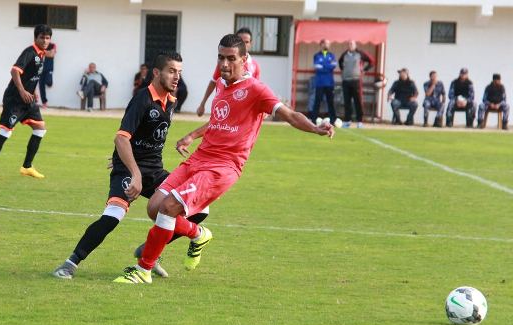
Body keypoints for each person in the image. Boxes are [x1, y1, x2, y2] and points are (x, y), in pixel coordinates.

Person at [112, 34, 334, 284]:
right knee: (154, 207)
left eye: (231, 59)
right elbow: (218, 121)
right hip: (199, 158)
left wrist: (315, 128)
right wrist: (192, 136)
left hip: (222, 167)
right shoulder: (220, 83)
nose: (225, 64)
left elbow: (290, 115)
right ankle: (198, 234)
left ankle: (144, 270)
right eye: (221, 58)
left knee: (169, 209)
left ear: (244, 59)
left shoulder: (256, 90)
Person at [52, 51, 209, 279]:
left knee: (199, 208)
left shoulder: (171, 101)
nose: (177, 77)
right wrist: (131, 170)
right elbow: (121, 137)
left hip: (154, 170)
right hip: (129, 169)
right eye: (172, 71)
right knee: (113, 216)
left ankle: (149, 251)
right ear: (157, 72)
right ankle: (69, 264)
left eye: (180, 72)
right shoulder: (142, 99)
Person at [0, 24, 52, 179]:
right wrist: (22, 91)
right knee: (5, 131)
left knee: (40, 129)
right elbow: (15, 71)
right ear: (36, 38)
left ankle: (27, 166)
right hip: (15, 100)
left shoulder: (42, 54)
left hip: (28, 100)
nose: (45, 40)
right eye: (42, 37)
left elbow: (33, 76)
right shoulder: (30, 52)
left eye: (47, 38)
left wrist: (34, 92)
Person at [196, 27, 260, 117]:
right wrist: (202, 104)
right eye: (241, 41)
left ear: (251, 44)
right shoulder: (224, 63)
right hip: (226, 107)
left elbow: (256, 90)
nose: (244, 44)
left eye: (246, 42)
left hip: (244, 111)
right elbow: (214, 81)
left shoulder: (255, 66)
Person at [338, 40, 374, 128]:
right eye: (349, 44)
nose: (350, 45)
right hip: (346, 81)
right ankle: (347, 120)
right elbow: (340, 62)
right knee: (347, 101)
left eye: (352, 44)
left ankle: (360, 121)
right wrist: (344, 71)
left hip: (356, 80)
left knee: (358, 101)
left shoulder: (360, 54)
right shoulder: (344, 54)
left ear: (355, 45)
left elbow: (372, 61)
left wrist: (364, 70)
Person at [310, 39, 337, 124]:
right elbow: (317, 67)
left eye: (328, 44)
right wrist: (327, 66)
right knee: (317, 101)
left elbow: (333, 66)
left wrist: (323, 66)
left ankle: (333, 120)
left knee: (330, 102)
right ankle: (314, 120)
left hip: (329, 83)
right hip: (320, 83)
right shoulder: (316, 56)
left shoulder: (332, 55)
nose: (327, 45)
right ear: (321, 44)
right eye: (325, 43)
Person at [38, 42, 56, 108]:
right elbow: (37, 54)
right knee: (41, 85)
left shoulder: (52, 45)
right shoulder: (39, 44)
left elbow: (52, 55)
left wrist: (43, 52)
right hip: (40, 69)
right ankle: (44, 102)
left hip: (49, 68)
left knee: (49, 82)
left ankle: (49, 84)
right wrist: (48, 52)